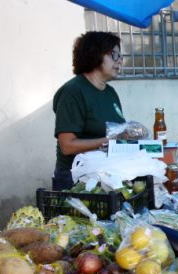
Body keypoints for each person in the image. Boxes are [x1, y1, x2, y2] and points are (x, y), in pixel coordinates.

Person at [52, 31, 125, 190]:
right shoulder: (73, 92)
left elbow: (116, 130)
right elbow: (67, 146)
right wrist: (107, 141)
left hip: (105, 174)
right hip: (75, 179)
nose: (119, 61)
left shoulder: (110, 93)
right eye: (114, 55)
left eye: (120, 56)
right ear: (95, 54)